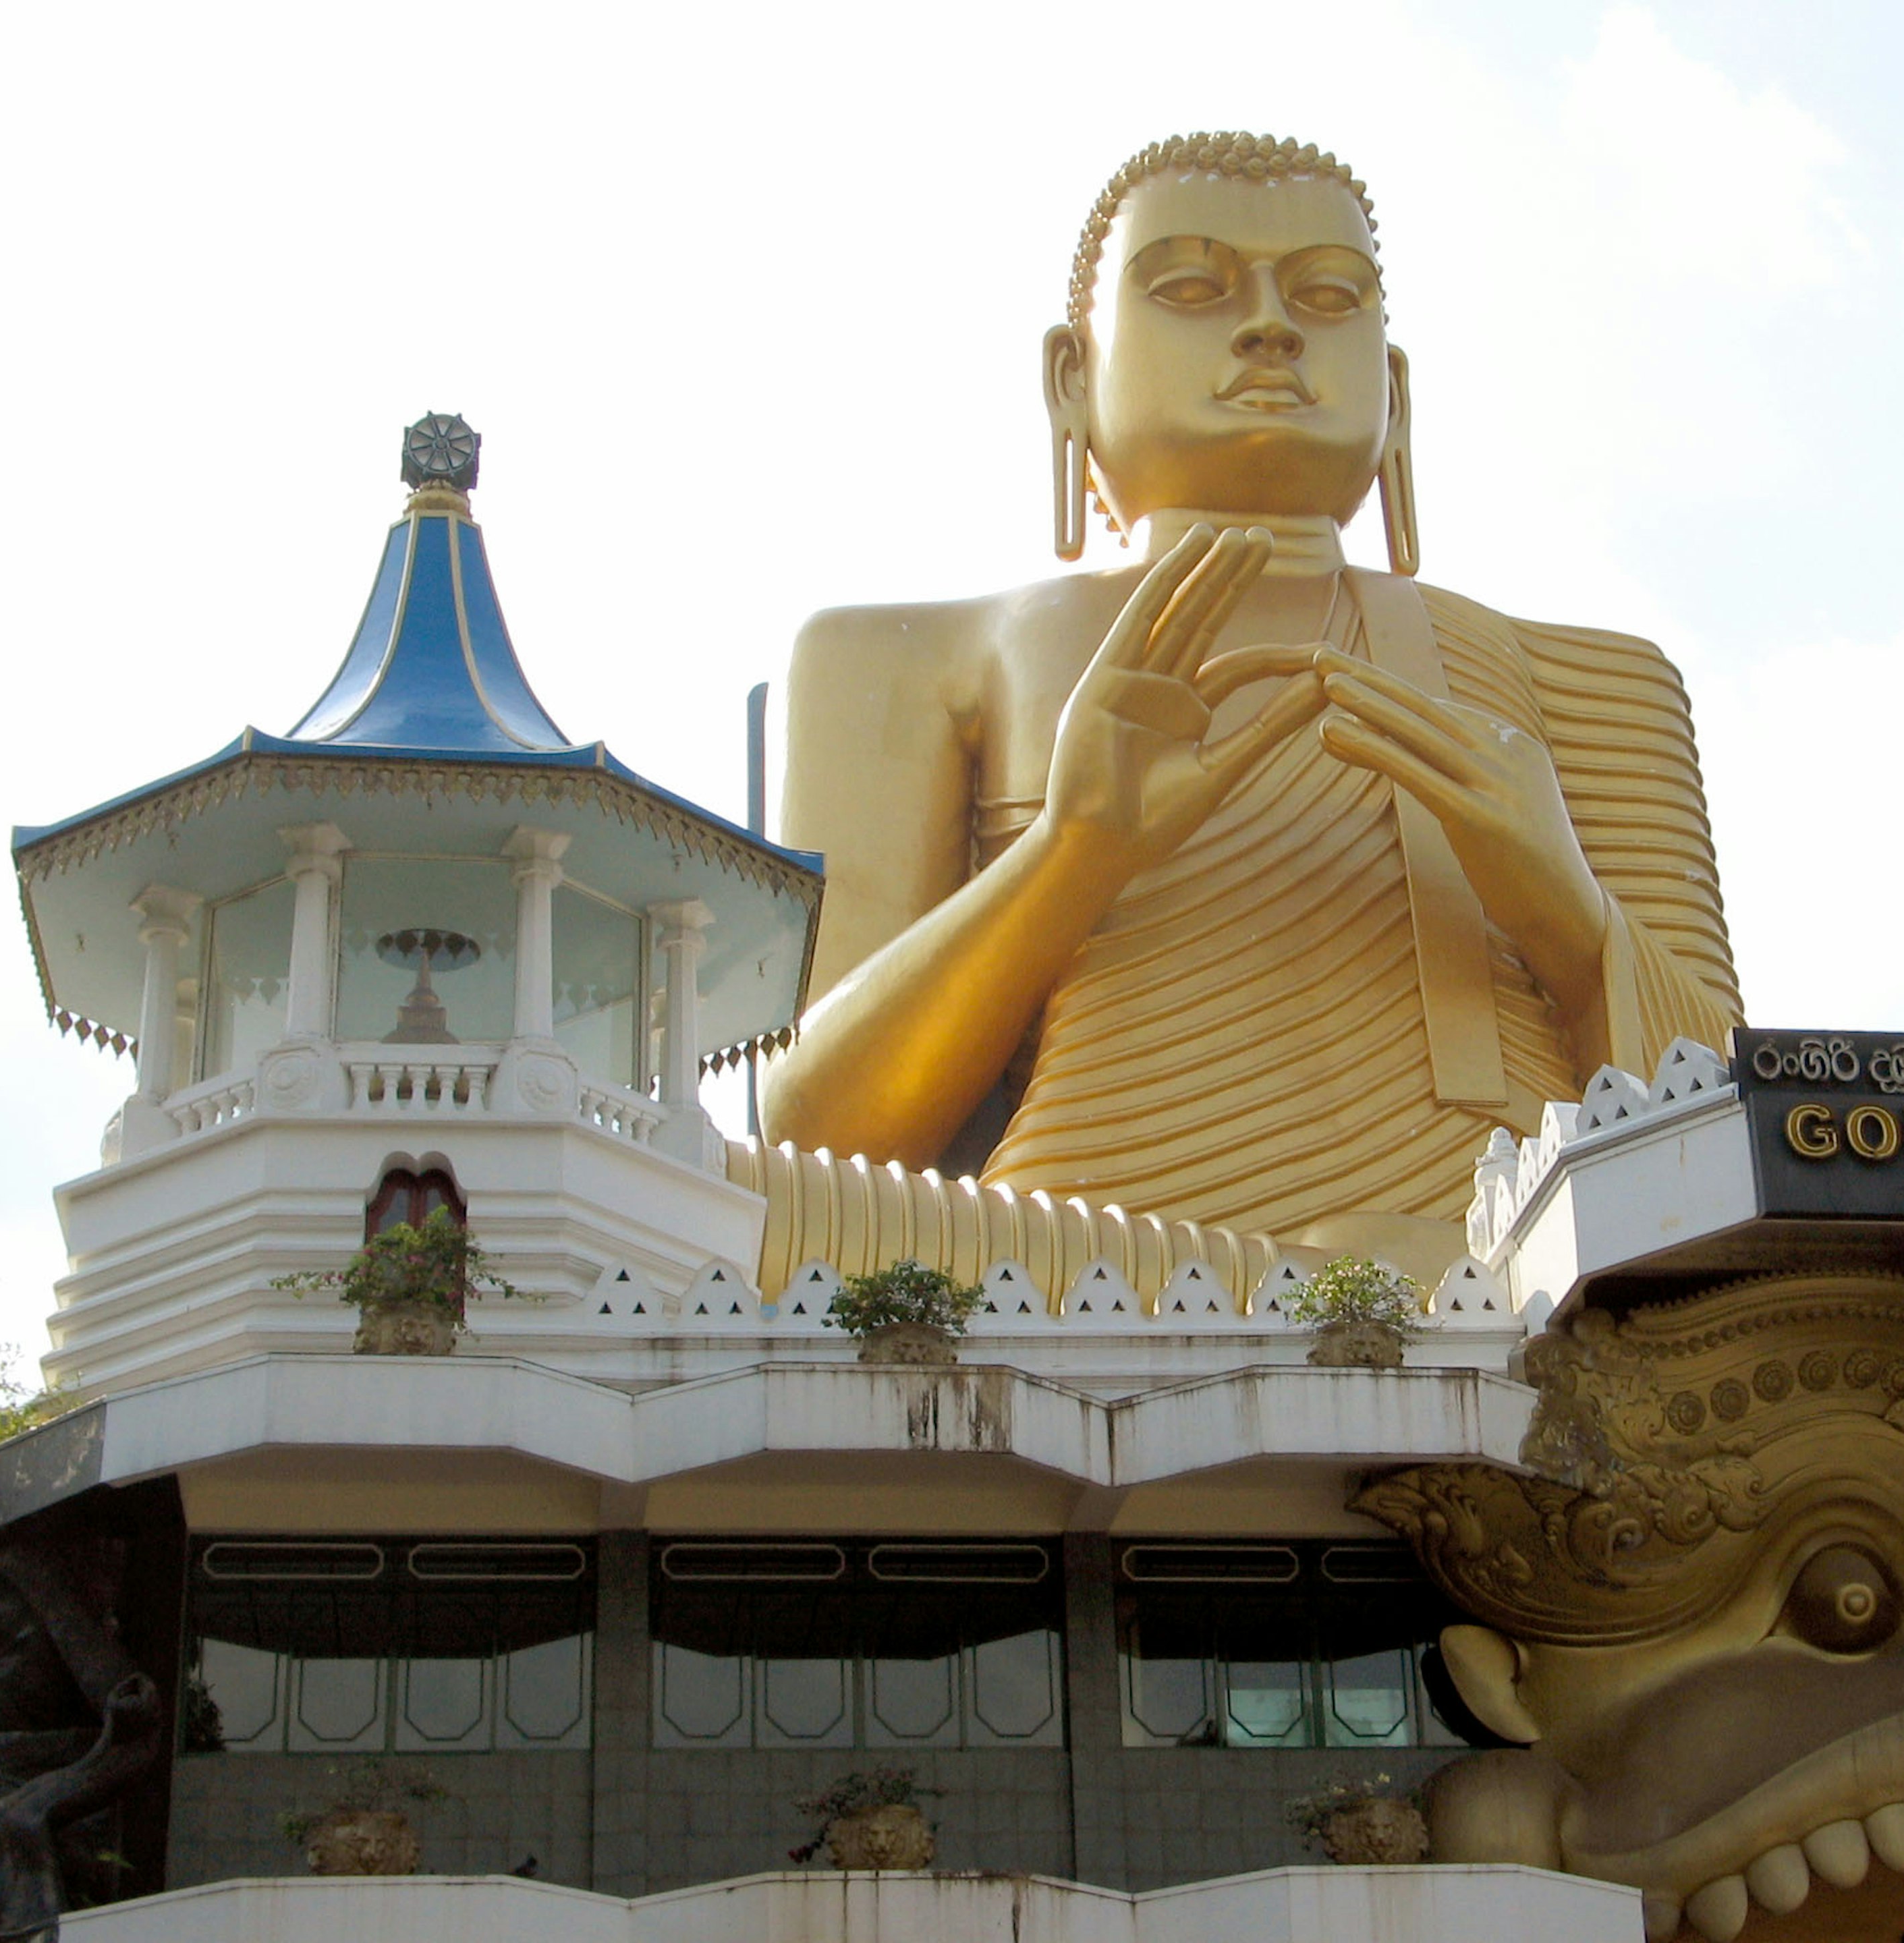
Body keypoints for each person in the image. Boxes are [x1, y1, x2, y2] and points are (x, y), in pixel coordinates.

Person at [741, 132, 1738, 1294]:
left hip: (1525, 1259)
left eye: (1325, 295)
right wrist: (1073, 852)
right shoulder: (908, 656)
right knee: (764, 1215)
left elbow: (1733, 1151)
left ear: (1396, 389)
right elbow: (816, 1136)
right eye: (1193, 288)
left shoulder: (1590, 679)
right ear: (1072, 374)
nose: (1271, 328)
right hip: (1084, 1268)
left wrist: (1567, 919)